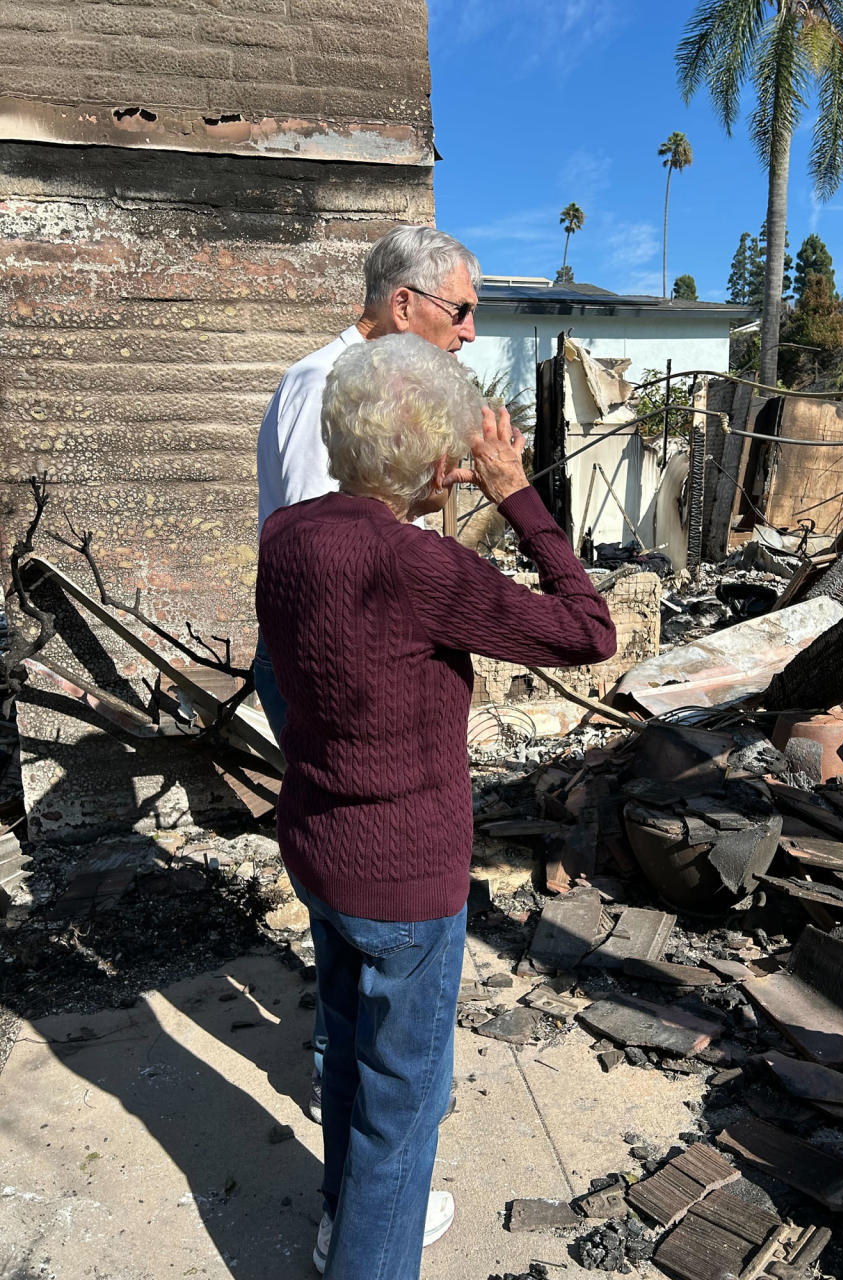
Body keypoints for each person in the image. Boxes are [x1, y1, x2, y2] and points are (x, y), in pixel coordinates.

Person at [255, 333, 616, 1279]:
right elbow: (590, 630)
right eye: (453, 449)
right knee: (402, 1104)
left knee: (347, 1065)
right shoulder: (420, 570)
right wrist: (517, 495)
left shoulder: (289, 537)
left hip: (318, 842)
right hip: (404, 877)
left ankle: (341, 1221)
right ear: (430, 456)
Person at [253, 225, 482, 1117]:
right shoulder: (329, 387)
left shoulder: (378, 385)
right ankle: (348, 1081)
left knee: (350, 866)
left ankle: (362, 1072)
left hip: (347, 657)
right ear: (403, 305)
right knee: (359, 859)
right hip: (335, 666)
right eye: (459, 313)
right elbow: (334, 566)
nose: (467, 333)